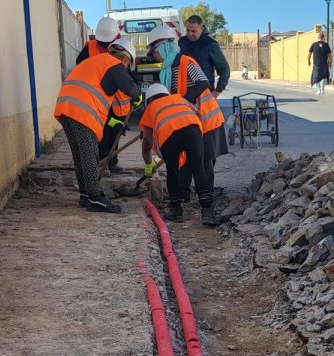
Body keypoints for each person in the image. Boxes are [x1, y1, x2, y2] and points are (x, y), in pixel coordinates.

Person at [53, 38, 142, 214]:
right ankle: (95, 197)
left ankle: (86, 195)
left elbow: (100, 94)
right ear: (125, 59)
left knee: (80, 154)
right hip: (80, 111)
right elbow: (129, 86)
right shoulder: (113, 63)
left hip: (66, 108)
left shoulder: (96, 62)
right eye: (127, 65)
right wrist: (138, 96)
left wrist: (112, 121)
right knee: (89, 153)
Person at [148, 24, 226, 219]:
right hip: (188, 119)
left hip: (205, 117)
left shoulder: (186, 62)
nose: (154, 56)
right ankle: (183, 196)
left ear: (164, 47)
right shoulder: (167, 69)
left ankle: (207, 205)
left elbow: (203, 83)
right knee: (191, 160)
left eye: (154, 51)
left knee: (203, 161)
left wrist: (184, 100)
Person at [139, 84, 215, 226]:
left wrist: (149, 164)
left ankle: (176, 210)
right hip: (193, 128)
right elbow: (198, 114)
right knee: (198, 168)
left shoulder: (150, 109)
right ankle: (207, 212)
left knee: (172, 170)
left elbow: (147, 144)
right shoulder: (179, 99)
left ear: (149, 100)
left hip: (169, 135)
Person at [76, 17, 132, 173]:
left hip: (117, 99)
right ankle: (101, 163)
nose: (105, 46)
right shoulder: (88, 49)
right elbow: (80, 69)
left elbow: (128, 70)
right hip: (97, 98)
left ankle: (112, 162)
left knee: (116, 130)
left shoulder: (122, 47)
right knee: (100, 132)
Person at [178, 15, 230, 94]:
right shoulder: (181, 42)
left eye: (194, 31)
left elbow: (224, 69)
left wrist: (218, 90)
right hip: (184, 93)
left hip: (205, 93)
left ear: (201, 29)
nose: (190, 34)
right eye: (188, 30)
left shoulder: (210, 44)